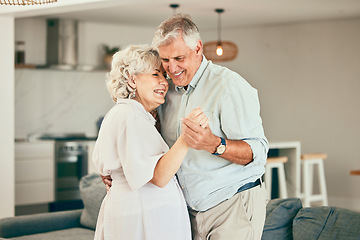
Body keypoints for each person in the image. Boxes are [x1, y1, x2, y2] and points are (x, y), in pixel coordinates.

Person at [151, 14, 269, 240]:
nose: (172, 67)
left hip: (232, 206)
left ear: (198, 48)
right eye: (165, 60)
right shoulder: (166, 91)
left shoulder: (229, 86)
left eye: (179, 58)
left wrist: (215, 144)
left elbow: (258, 152)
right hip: (187, 212)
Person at [93, 44, 207, 240]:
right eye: (156, 74)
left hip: (141, 214)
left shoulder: (132, 115)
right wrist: (189, 135)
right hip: (143, 217)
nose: (165, 82)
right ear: (132, 79)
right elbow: (159, 177)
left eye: (164, 75)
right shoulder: (130, 116)